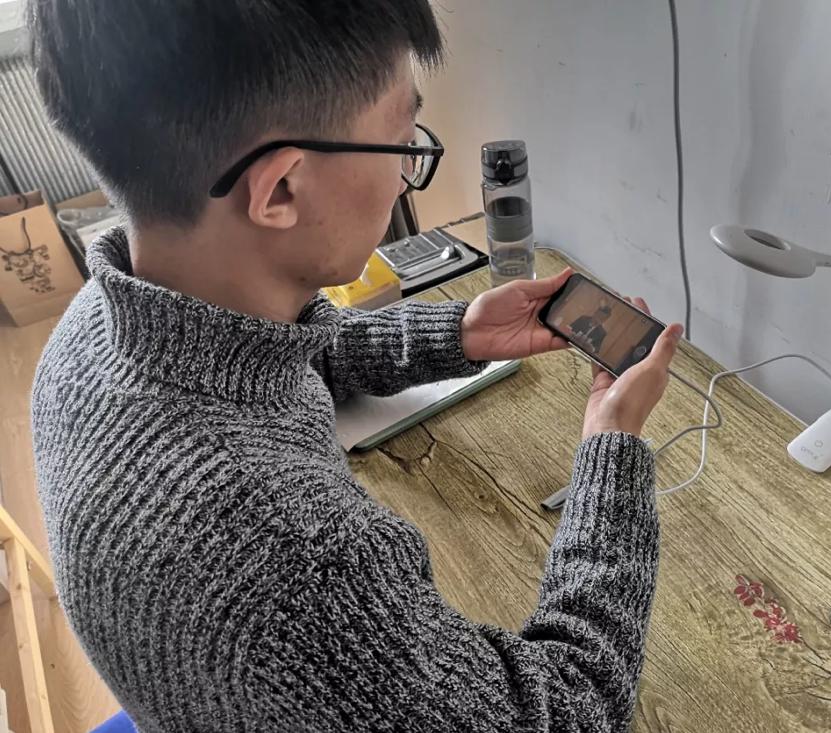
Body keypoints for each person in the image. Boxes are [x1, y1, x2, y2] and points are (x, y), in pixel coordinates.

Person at [28, 2, 683, 731]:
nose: (405, 176)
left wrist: (459, 330)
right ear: (281, 188)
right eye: (402, 145)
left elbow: (272, 365)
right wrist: (612, 452)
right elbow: (572, 710)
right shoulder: (297, 563)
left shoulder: (90, 330)